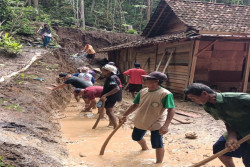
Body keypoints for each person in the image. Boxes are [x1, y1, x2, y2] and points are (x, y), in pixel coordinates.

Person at [184, 83, 250, 167]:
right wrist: (231, 135)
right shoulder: (207, 107)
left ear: (204, 94)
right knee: (219, 148)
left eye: (193, 98)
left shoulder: (236, 98)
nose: (193, 101)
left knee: (248, 160)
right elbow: (227, 121)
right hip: (237, 129)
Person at [119, 71, 175, 163]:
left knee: (157, 144)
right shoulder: (143, 91)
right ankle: (145, 149)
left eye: (147, 79)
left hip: (156, 121)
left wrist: (166, 125)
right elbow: (135, 105)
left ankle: (158, 163)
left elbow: (171, 110)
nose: (144, 80)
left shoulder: (165, 94)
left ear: (156, 81)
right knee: (136, 137)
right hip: (141, 118)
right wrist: (124, 115)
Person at [100, 64, 122, 129]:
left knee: (109, 111)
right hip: (112, 96)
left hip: (112, 96)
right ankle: (111, 124)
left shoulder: (111, 78)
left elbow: (116, 88)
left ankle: (115, 126)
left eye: (103, 70)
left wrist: (105, 95)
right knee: (109, 111)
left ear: (108, 71)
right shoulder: (114, 77)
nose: (102, 72)